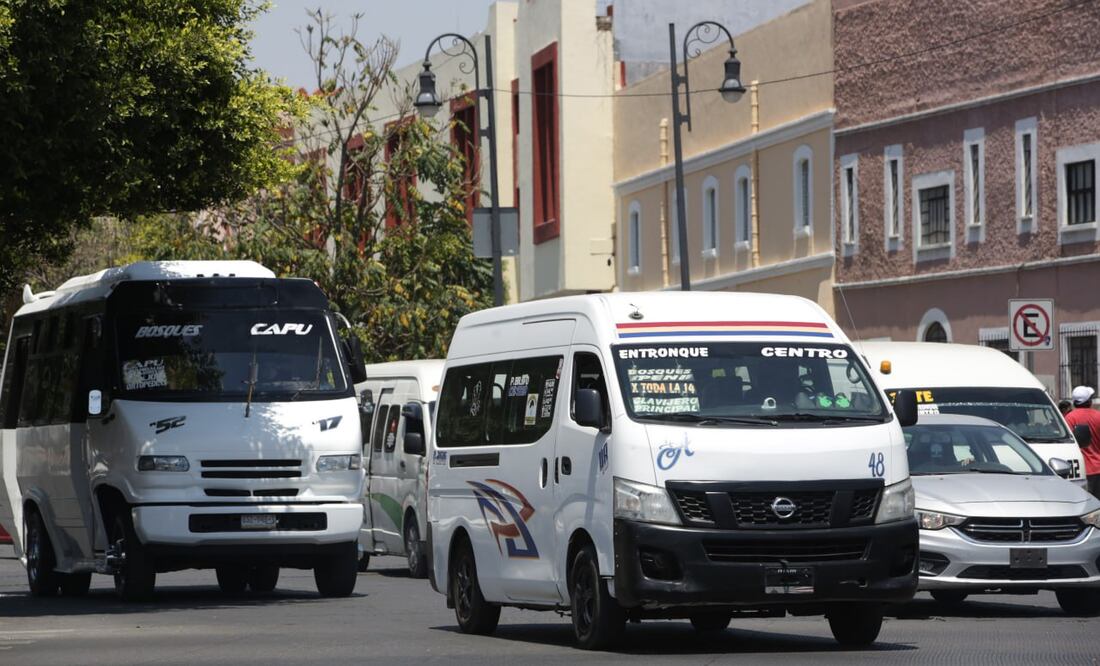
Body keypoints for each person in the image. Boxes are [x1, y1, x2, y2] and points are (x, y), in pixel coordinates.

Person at [1064, 386, 1100, 499]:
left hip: (1079, 470)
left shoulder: (1069, 418)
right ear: (1089, 401)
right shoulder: (1098, 416)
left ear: (1074, 402)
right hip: (1098, 468)